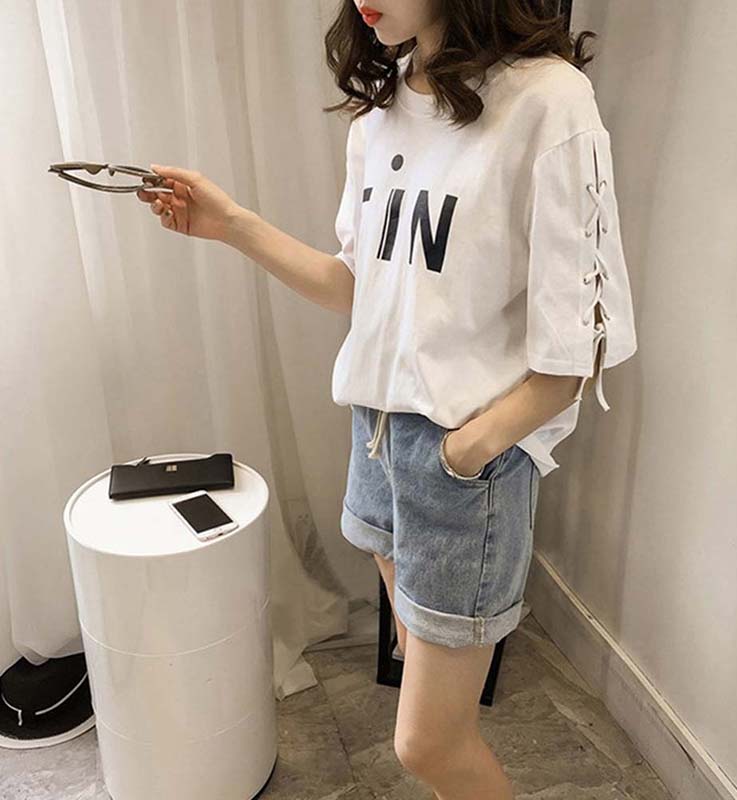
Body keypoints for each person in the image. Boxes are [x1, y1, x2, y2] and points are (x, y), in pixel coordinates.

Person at [136, 2, 638, 796]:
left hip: (462, 463)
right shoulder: (382, 109)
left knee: (428, 745)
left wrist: (466, 451)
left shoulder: (547, 101)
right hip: (375, 440)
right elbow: (358, 288)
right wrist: (229, 224)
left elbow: (582, 338)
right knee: (415, 663)